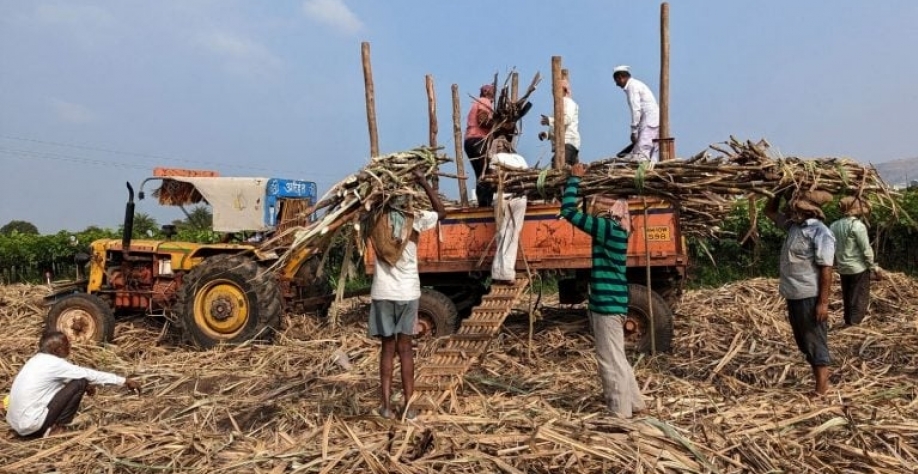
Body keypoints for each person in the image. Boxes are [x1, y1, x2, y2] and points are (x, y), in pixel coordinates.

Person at [560, 163, 644, 418]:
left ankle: (619, 412)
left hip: (607, 306)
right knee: (618, 355)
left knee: (609, 360)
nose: (596, 206)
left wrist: (574, 180)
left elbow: (568, 212)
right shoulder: (620, 231)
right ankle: (637, 403)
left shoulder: (607, 229)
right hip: (614, 303)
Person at [368, 169, 446, 420]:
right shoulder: (416, 219)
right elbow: (442, 212)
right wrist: (424, 181)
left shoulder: (376, 220)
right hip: (407, 293)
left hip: (383, 294)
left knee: (387, 349)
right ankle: (409, 407)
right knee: (406, 350)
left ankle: (386, 406)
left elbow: (361, 208)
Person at [764, 190, 836, 397]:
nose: (791, 210)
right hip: (792, 293)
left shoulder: (821, 232)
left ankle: (822, 389)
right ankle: (819, 384)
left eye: (796, 207)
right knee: (803, 341)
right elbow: (769, 211)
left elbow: (826, 268)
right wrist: (777, 191)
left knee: (814, 339)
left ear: (809, 211)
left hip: (809, 295)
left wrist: (823, 302)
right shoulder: (794, 227)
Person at [6, 331, 141, 438]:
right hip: (32, 425)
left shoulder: (36, 361)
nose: (70, 347)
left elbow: (58, 383)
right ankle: (56, 429)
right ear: (56, 349)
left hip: (18, 425)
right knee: (80, 382)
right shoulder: (54, 363)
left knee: (79, 381)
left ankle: (47, 426)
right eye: (66, 345)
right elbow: (87, 375)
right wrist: (123, 381)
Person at [830, 196, 883, 326]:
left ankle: (848, 321)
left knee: (848, 296)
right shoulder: (858, 226)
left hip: (843, 268)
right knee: (859, 298)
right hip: (858, 268)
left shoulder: (834, 226)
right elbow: (866, 250)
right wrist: (874, 267)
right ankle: (854, 324)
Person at [489, 151, 529, 285]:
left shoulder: (497, 157)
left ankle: (498, 272)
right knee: (510, 235)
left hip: (503, 197)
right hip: (515, 197)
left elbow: (492, 176)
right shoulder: (519, 158)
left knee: (502, 234)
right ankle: (505, 273)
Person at [612, 65, 660, 163]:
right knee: (651, 155)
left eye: (616, 80)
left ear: (621, 77)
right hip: (653, 123)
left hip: (649, 123)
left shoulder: (632, 87)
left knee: (641, 156)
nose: (616, 84)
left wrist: (634, 131)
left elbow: (636, 110)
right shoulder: (636, 84)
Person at [464, 84, 496, 207]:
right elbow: (482, 120)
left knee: (480, 174)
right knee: (486, 173)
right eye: (492, 92)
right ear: (487, 93)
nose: (493, 95)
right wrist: (497, 122)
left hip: (470, 141)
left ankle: (483, 202)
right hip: (478, 141)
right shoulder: (484, 101)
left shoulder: (475, 103)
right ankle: (485, 203)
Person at [539, 79, 581, 165]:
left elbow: (566, 120)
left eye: (556, 89)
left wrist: (549, 120)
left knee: (557, 165)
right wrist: (547, 135)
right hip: (563, 145)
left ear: (564, 90)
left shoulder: (568, 102)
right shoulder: (558, 105)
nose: (553, 92)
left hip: (568, 144)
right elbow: (557, 128)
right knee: (565, 170)